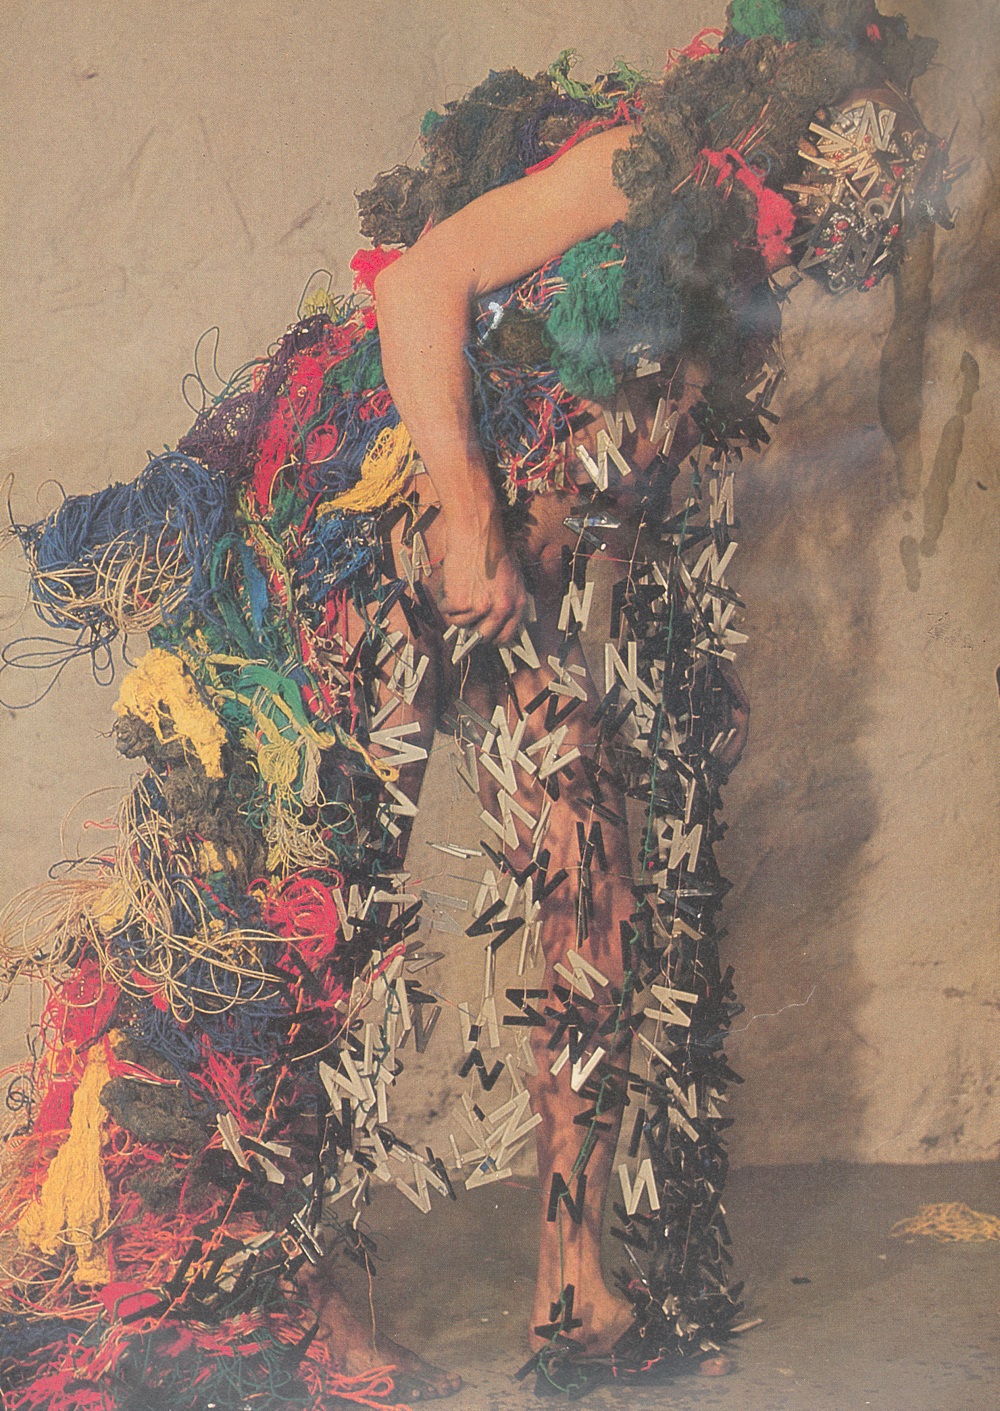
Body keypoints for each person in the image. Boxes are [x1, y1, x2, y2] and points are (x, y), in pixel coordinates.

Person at [0, 4, 954, 1408]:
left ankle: (575, 1283)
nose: (851, 220)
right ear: (799, 128)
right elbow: (420, 283)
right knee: (321, 917)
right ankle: (302, 1299)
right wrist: (464, 511)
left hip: (512, 577)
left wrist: (629, 653)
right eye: (854, 178)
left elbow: (611, 462)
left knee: (592, 877)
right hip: (365, 540)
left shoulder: (734, 271)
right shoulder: (645, 162)